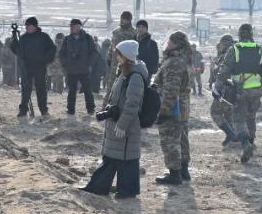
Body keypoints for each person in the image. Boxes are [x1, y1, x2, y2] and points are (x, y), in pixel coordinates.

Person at [79, 40, 149, 200]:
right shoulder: (125, 72)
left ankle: (126, 191)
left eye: (119, 54)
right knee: (112, 157)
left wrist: (122, 124)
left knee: (126, 158)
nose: (116, 56)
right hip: (117, 122)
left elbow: (133, 104)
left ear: (126, 56)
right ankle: (100, 187)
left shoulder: (135, 76)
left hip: (126, 125)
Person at [222, 23, 262, 163]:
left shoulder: (235, 50)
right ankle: (251, 142)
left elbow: (224, 71)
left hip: (240, 92)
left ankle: (246, 144)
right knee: (251, 117)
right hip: (257, 92)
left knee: (238, 119)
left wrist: (217, 87)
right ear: (251, 35)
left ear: (239, 35)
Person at [150, 30, 193, 185]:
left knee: (170, 140)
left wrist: (164, 111)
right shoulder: (184, 59)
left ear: (175, 44)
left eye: (169, 42)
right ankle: (183, 171)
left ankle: (174, 174)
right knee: (182, 138)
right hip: (182, 107)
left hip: (173, 108)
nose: (166, 45)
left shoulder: (174, 62)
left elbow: (171, 90)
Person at [9, 16, 56, 118]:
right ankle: (23, 110)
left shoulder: (43, 37)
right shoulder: (23, 38)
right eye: (26, 25)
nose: (26, 27)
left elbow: (52, 49)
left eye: (28, 25)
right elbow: (17, 51)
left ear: (34, 26)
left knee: (41, 88)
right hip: (27, 66)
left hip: (40, 66)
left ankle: (43, 110)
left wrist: (45, 59)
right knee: (26, 88)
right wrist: (14, 40)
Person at [60, 19, 97, 116]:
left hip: (84, 69)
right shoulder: (67, 39)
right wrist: (65, 64)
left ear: (79, 27)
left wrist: (89, 64)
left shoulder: (87, 38)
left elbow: (94, 52)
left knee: (87, 90)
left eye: (73, 26)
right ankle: (70, 110)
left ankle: (91, 109)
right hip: (71, 70)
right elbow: (62, 53)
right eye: (70, 26)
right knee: (71, 91)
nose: (71, 28)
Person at [208, 34, 238, 145]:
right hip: (234, 89)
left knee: (215, 112)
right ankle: (234, 137)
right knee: (228, 114)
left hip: (226, 89)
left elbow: (222, 72)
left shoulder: (227, 55)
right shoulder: (236, 52)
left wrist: (214, 66)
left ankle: (231, 134)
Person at [105, 11, 137, 91]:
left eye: (125, 19)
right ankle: (108, 98)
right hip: (114, 62)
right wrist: (109, 56)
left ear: (129, 20)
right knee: (111, 84)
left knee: (123, 84)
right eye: (122, 18)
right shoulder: (116, 31)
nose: (123, 20)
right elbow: (112, 45)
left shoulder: (133, 33)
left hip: (126, 63)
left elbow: (135, 49)